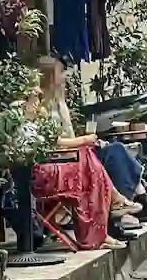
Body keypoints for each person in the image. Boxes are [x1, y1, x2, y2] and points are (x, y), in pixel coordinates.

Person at [36, 57, 147, 230]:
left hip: (73, 153)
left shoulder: (59, 102)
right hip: (62, 160)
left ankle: (133, 204)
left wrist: (87, 140)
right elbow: (54, 142)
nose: (64, 77)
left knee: (117, 149)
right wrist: (85, 140)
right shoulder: (40, 107)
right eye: (60, 73)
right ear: (50, 77)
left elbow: (68, 136)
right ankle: (127, 206)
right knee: (115, 153)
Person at [25, 86, 125, 250]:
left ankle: (102, 228)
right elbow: (54, 144)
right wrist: (84, 139)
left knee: (88, 163)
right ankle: (109, 209)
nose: (37, 103)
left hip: (47, 168)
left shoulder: (36, 121)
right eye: (34, 98)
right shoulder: (24, 124)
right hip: (38, 175)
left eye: (38, 98)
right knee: (87, 170)